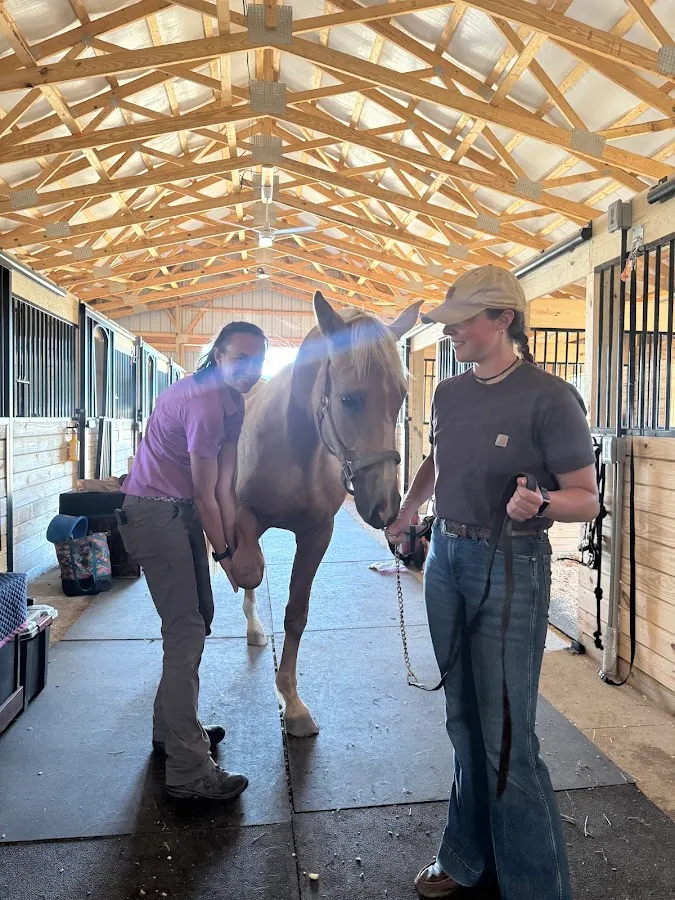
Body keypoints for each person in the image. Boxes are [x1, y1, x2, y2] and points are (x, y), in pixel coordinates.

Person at [387, 266, 599, 900]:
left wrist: (539, 505)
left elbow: (586, 499)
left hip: (511, 562)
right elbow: (436, 458)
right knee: (462, 719)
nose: (452, 330)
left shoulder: (551, 397)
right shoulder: (449, 394)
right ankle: (466, 855)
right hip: (445, 556)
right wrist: (407, 509)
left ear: (504, 319)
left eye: (464, 320)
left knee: (507, 729)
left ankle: (536, 885)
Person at [117, 322, 267, 801]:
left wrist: (231, 551)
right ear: (217, 354)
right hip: (154, 513)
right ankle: (187, 771)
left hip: (179, 510)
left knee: (197, 619)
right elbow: (206, 494)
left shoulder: (233, 403)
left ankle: (171, 733)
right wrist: (227, 558)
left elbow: (224, 489)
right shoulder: (203, 401)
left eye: (258, 359)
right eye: (241, 358)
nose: (251, 369)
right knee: (184, 629)